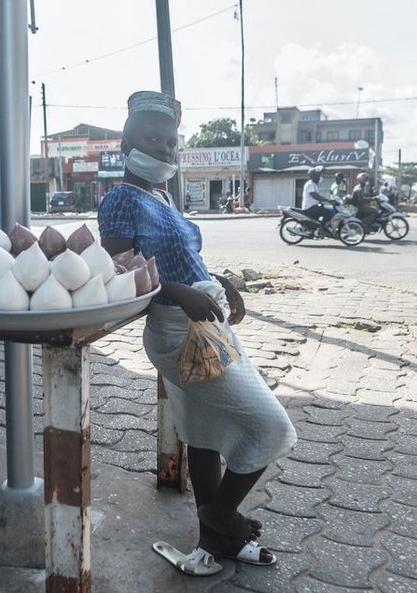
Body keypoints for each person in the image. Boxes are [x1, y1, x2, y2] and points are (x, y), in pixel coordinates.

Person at [97, 91, 297, 569]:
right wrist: (179, 292)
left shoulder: (160, 194)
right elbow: (119, 274)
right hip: (176, 331)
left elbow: (179, 257)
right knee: (271, 427)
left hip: (203, 320)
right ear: (126, 141)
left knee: (204, 433)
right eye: (152, 138)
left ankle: (210, 546)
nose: (165, 149)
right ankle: (223, 520)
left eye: (171, 142)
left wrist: (219, 281)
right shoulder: (120, 199)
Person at [300, 166, 333, 236]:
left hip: (313, 206)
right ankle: (321, 230)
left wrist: (322, 202)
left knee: (324, 209)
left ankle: (317, 228)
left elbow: (316, 197)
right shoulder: (310, 184)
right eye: (319, 175)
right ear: (315, 176)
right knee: (328, 213)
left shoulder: (313, 184)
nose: (320, 177)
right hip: (309, 207)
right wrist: (327, 200)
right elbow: (315, 196)